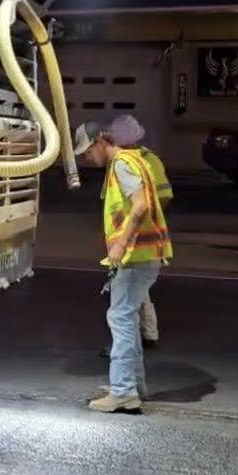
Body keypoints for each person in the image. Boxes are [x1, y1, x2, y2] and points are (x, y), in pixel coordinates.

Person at [73, 121, 173, 412]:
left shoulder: (121, 165)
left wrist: (119, 245)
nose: (87, 158)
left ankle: (124, 391)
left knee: (119, 318)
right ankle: (133, 386)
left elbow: (140, 206)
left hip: (135, 257)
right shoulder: (133, 160)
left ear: (102, 141)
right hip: (143, 255)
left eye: (88, 151)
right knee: (126, 318)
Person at [109, 115, 172, 348]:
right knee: (135, 294)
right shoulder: (139, 159)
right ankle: (145, 334)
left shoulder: (131, 161)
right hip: (132, 238)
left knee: (127, 301)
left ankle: (138, 339)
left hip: (136, 240)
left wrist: (136, 224)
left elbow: (158, 199)